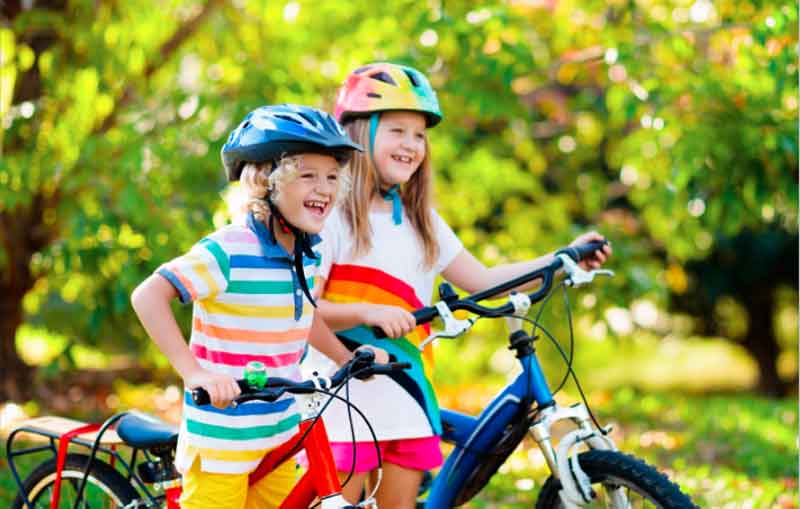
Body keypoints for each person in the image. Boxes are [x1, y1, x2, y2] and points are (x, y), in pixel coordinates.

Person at [306, 63, 612, 508]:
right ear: (358, 133)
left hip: (406, 392)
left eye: (420, 135)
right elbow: (303, 309)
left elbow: (483, 280)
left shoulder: (420, 221)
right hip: (340, 395)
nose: (412, 145)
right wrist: (367, 313)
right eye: (397, 131)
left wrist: (562, 256)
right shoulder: (329, 216)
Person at [131, 104, 386, 509]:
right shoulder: (228, 250)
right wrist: (196, 372)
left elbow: (303, 314)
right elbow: (148, 296)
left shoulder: (307, 254)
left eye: (333, 177)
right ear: (267, 182)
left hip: (278, 433)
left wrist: (345, 356)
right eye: (308, 176)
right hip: (222, 444)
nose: (324, 188)